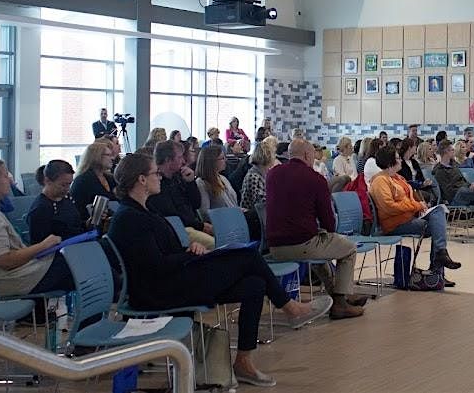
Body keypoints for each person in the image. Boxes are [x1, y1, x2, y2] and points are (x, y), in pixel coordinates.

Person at [107, 152, 332, 386]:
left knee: (254, 285)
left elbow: (163, 254)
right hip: (160, 291)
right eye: (155, 173)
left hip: (175, 278)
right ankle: (290, 307)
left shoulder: (143, 211)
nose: (160, 177)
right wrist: (188, 255)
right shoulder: (129, 219)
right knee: (248, 256)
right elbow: (155, 266)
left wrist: (190, 248)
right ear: (141, 179)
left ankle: (244, 361)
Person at [267, 139, 367, 320]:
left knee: (320, 251)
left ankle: (340, 294)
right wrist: (328, 232)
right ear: (307, 155)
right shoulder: (315, 179)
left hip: (274, 246)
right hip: (302, 242)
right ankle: (340, 303)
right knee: (349, 249)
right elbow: (328, 221)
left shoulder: (272, 174)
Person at [0, 159, 74, 298]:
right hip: (13, 280)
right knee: (80, 264)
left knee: (74, 261)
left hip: (7, 277)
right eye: (5, 176)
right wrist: (44, 245)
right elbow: (5, 261)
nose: (10, 180)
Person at [369, 144, 461, 285]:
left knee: (438, 212)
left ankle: (440, 259)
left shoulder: (398, 178)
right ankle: (438, 268)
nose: (401, 160)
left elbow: (409, 198)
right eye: (397, 158)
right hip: (395, 223)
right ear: (389, 162)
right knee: (437, 227)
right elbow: (389, 207)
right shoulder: (380, 181)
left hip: (408, 217)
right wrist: (417, 206)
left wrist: (420, 206)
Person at [147, 140, 214, 249]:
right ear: (168, 160)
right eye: (179, 157)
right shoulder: (157, 184)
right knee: (216, 244)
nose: (183, 161)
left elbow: (196, 204)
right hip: (179, 230)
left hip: (192, 226)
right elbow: (172, 215)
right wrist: (201, 226)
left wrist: (191, 183)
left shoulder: (178, 177)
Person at [26, 160, 88, 243]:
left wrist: (87, 224)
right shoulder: (40, 209)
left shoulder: (67, 199)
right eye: (63, 185)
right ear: (48, 181)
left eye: (69, 184)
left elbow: (75, 226)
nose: (67, 189)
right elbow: (39, 245)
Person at [69, 140, 117, 221]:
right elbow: (77, 208)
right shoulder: (82, 181)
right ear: (97, 157)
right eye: (108, 155)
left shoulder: (110, 179)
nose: (112, 158)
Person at [239, 137, 278, 239]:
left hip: (259, 218)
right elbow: (261, 204)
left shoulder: (260, 174)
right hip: (254, 221)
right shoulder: (254, 177)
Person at [194, 145, 239, 214]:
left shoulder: (223, 178)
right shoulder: (201, 183)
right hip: (222, 218)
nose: (226, 160)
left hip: (234, 215)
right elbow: (204, 212)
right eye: (222, 158)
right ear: (212, 162)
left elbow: (232, 204)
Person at [399, 138, 438, 206]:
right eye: (415, 146)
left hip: (418, 187)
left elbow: (420, 178)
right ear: (409, 148)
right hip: (409, 189)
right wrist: (421, 184)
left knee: (433, 192)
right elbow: (405, 181)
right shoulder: (400, 164)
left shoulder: (414, 162)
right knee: (428, 195)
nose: (416, 147)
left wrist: (424, 183)